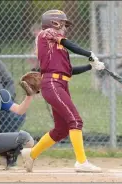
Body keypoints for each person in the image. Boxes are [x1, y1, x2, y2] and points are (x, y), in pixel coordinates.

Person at [21, 10, 105, 173]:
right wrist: (89, 54)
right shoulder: (46, 33)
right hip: (53, 83)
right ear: (54, 23)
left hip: (60, 84)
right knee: (75, 120)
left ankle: (31, 154)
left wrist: (91, 66)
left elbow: (68, 70)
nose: (65, 28)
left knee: (61, 129)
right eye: (63, 24)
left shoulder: (58, 46)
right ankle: (81, 162)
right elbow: (70, 44)